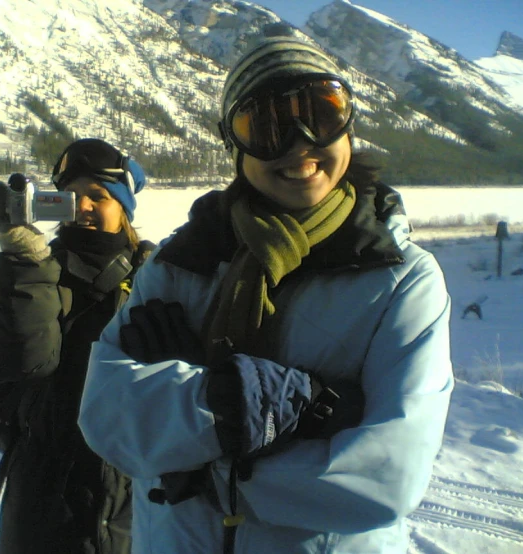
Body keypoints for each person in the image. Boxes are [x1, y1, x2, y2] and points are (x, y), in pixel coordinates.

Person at [78, 36, 454, 554]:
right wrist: (229, 403)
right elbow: (104, 417)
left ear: (349, 126)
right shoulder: (181, 263)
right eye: (266, 128)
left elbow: (385, 477)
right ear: (235, 147)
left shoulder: (400, 279)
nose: (299, 144)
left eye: (321, 115)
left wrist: (197, 451)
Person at [0, 138, 154, 554]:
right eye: (69, 197)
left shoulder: (155, 275)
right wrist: (23, 257)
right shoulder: (36, 267)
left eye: (98, 196)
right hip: (45, 499)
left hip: (133, 496)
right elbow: (23, 361)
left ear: (123, 208)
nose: (83, 206)